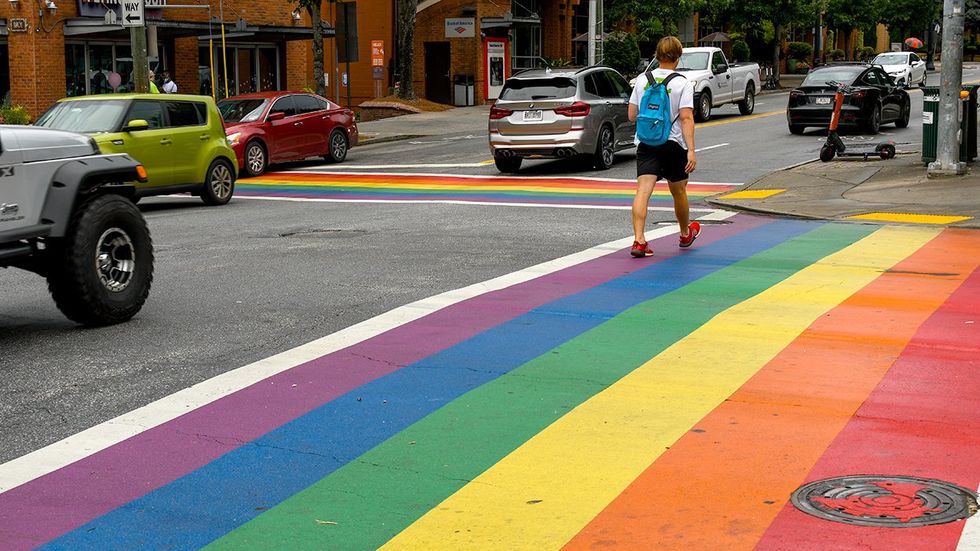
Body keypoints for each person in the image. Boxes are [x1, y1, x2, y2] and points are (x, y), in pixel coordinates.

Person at [627, 36, 700, 258]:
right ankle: (685, 233)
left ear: (657, 55)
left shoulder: (642, 79)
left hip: (647, 142)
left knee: (643, 191)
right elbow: (686, 118)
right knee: (678, 191)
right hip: (673, 143)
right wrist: (691, 150)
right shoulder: (682, 82)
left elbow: (632, 116)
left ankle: (639, 240)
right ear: (678, 57)